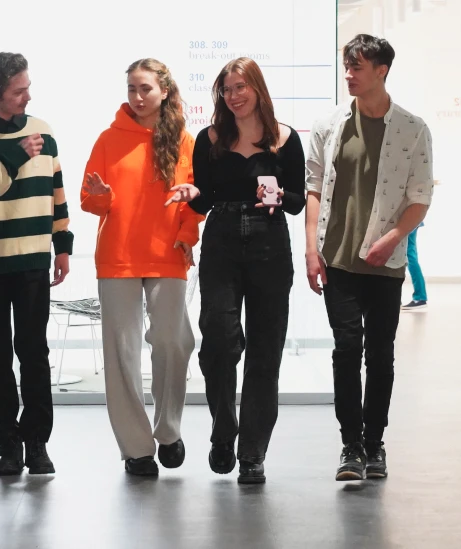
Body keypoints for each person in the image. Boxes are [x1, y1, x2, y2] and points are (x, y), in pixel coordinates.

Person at [305, 34, 433, 481]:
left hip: (385, 263)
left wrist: (394, 237)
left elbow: (420, 197)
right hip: (337, 260)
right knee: (346, 350)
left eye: (357, 67)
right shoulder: (329, 125)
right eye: (346, 66)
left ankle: (375, 443)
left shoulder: (413, 129)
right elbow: (314, 188)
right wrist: (311, 249)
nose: (348, 75)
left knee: (380, 354)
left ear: (381, 71)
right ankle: (351, 446)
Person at [180, 57, 306, 484]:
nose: (233, 96)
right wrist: (192, 193)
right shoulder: (211, 137)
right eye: (226, 89)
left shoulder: (285, 138)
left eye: (240, 87)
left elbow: (297, 202)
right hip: (222, 240)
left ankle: (252, 452)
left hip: (270, 243)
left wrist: (280, 195)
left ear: (256, 88)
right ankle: (223, 429)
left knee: (265, 352)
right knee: (218, 340)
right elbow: (204, 199)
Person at [0, 53, 74, 476]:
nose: (28, 97)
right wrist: (15, 158)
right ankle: (8, 444)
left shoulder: (44, 131)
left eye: (28, 87)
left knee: (34, 352)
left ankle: (37, 442)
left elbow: (57, 193)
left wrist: (63, 246)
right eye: (19, 90)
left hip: (33, 262)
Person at [80, 58, 203, 477]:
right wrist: (102, 196)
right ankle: (136, 448)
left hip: (167, 252)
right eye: (131, 88)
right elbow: (90, 199)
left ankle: (168, 429)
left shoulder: (184, 140)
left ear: (164, 91)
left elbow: (195, 198)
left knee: (174, 341)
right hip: (117, 255)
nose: (137, 96)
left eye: (145, 88)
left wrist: (187, 234)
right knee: (122, 353)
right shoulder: (108, 139)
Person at [402, 222, 428, 310]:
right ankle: (420, 297)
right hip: (412, 220)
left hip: (409, 220)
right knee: (410, 254)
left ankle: (420, 298)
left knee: (410, 256)